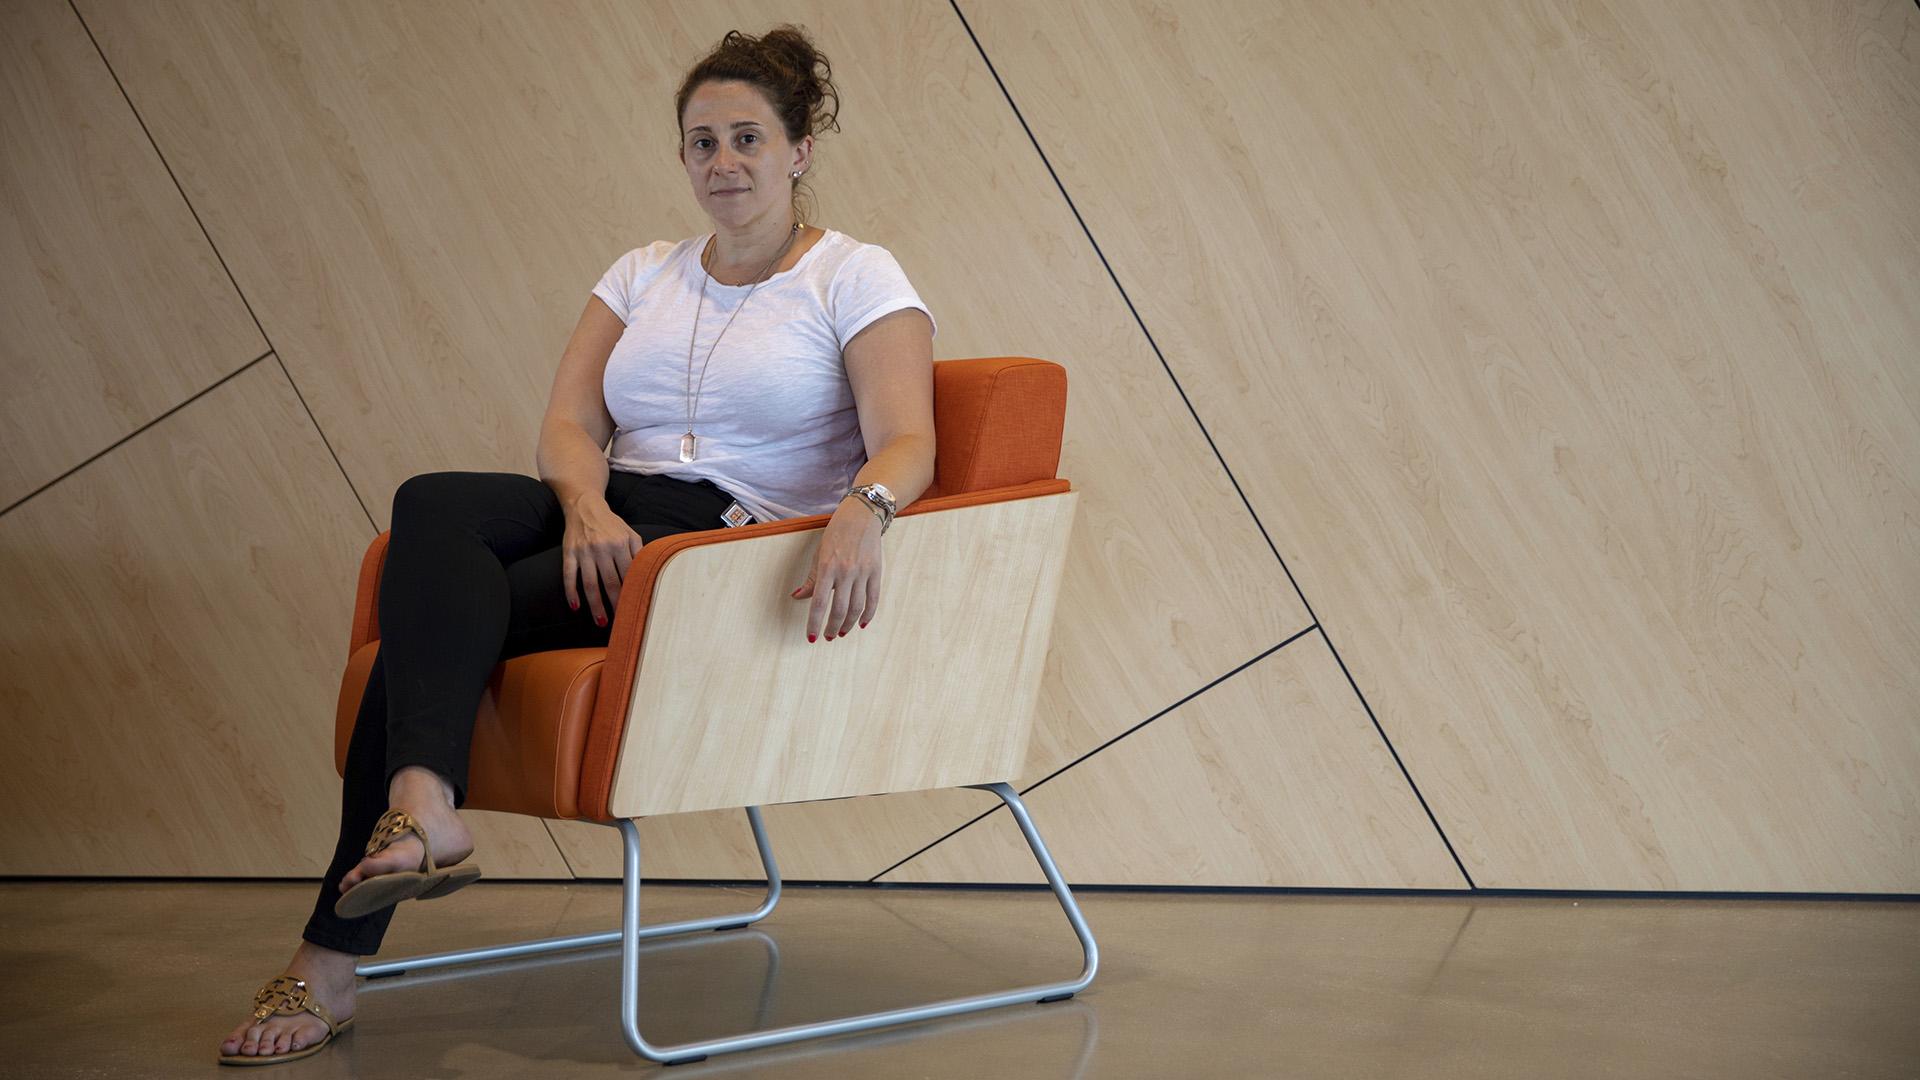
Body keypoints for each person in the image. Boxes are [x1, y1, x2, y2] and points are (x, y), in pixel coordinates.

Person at [219, 25, 936, 1065]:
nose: (723, 163)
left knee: (425, 638)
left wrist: (862, 513)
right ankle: (423, 806)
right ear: (682, 155)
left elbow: (910, 438)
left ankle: (339, 945)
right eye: (702, 143)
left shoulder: (854, 275)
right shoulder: (645, 271)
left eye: (748, 139)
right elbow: (566, 424)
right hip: (608, 509)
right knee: (435, 500)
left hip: (718, 539)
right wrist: (589, 506)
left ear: (799, 151)